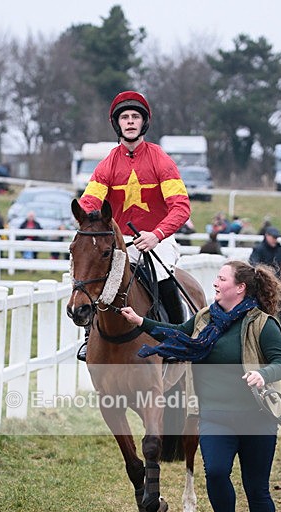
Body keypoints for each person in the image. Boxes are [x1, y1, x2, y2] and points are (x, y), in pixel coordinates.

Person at [120, 259, 281, 512]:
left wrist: (263, 374)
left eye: (222, 278)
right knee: (215, 473)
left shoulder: (262, 324)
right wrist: (140, 321)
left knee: (256, 489)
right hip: (214, 414)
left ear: (239, 288)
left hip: (256, 418)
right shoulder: (204, 319)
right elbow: (176, 332)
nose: (215, 282)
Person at [77, 90, 191, 360]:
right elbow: (89, 201)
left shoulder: (161, 159)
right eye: (125, 117)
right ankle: (89, 338)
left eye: (135, 117)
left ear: (144, 122)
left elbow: (181, 207)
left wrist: (157, 235)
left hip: (157, 239)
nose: (130, 121)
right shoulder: (107, 164)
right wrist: (84, 218)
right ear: (117, 124)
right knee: (95, 280)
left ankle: (177, 341)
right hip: (120, 243)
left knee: (162, 276)